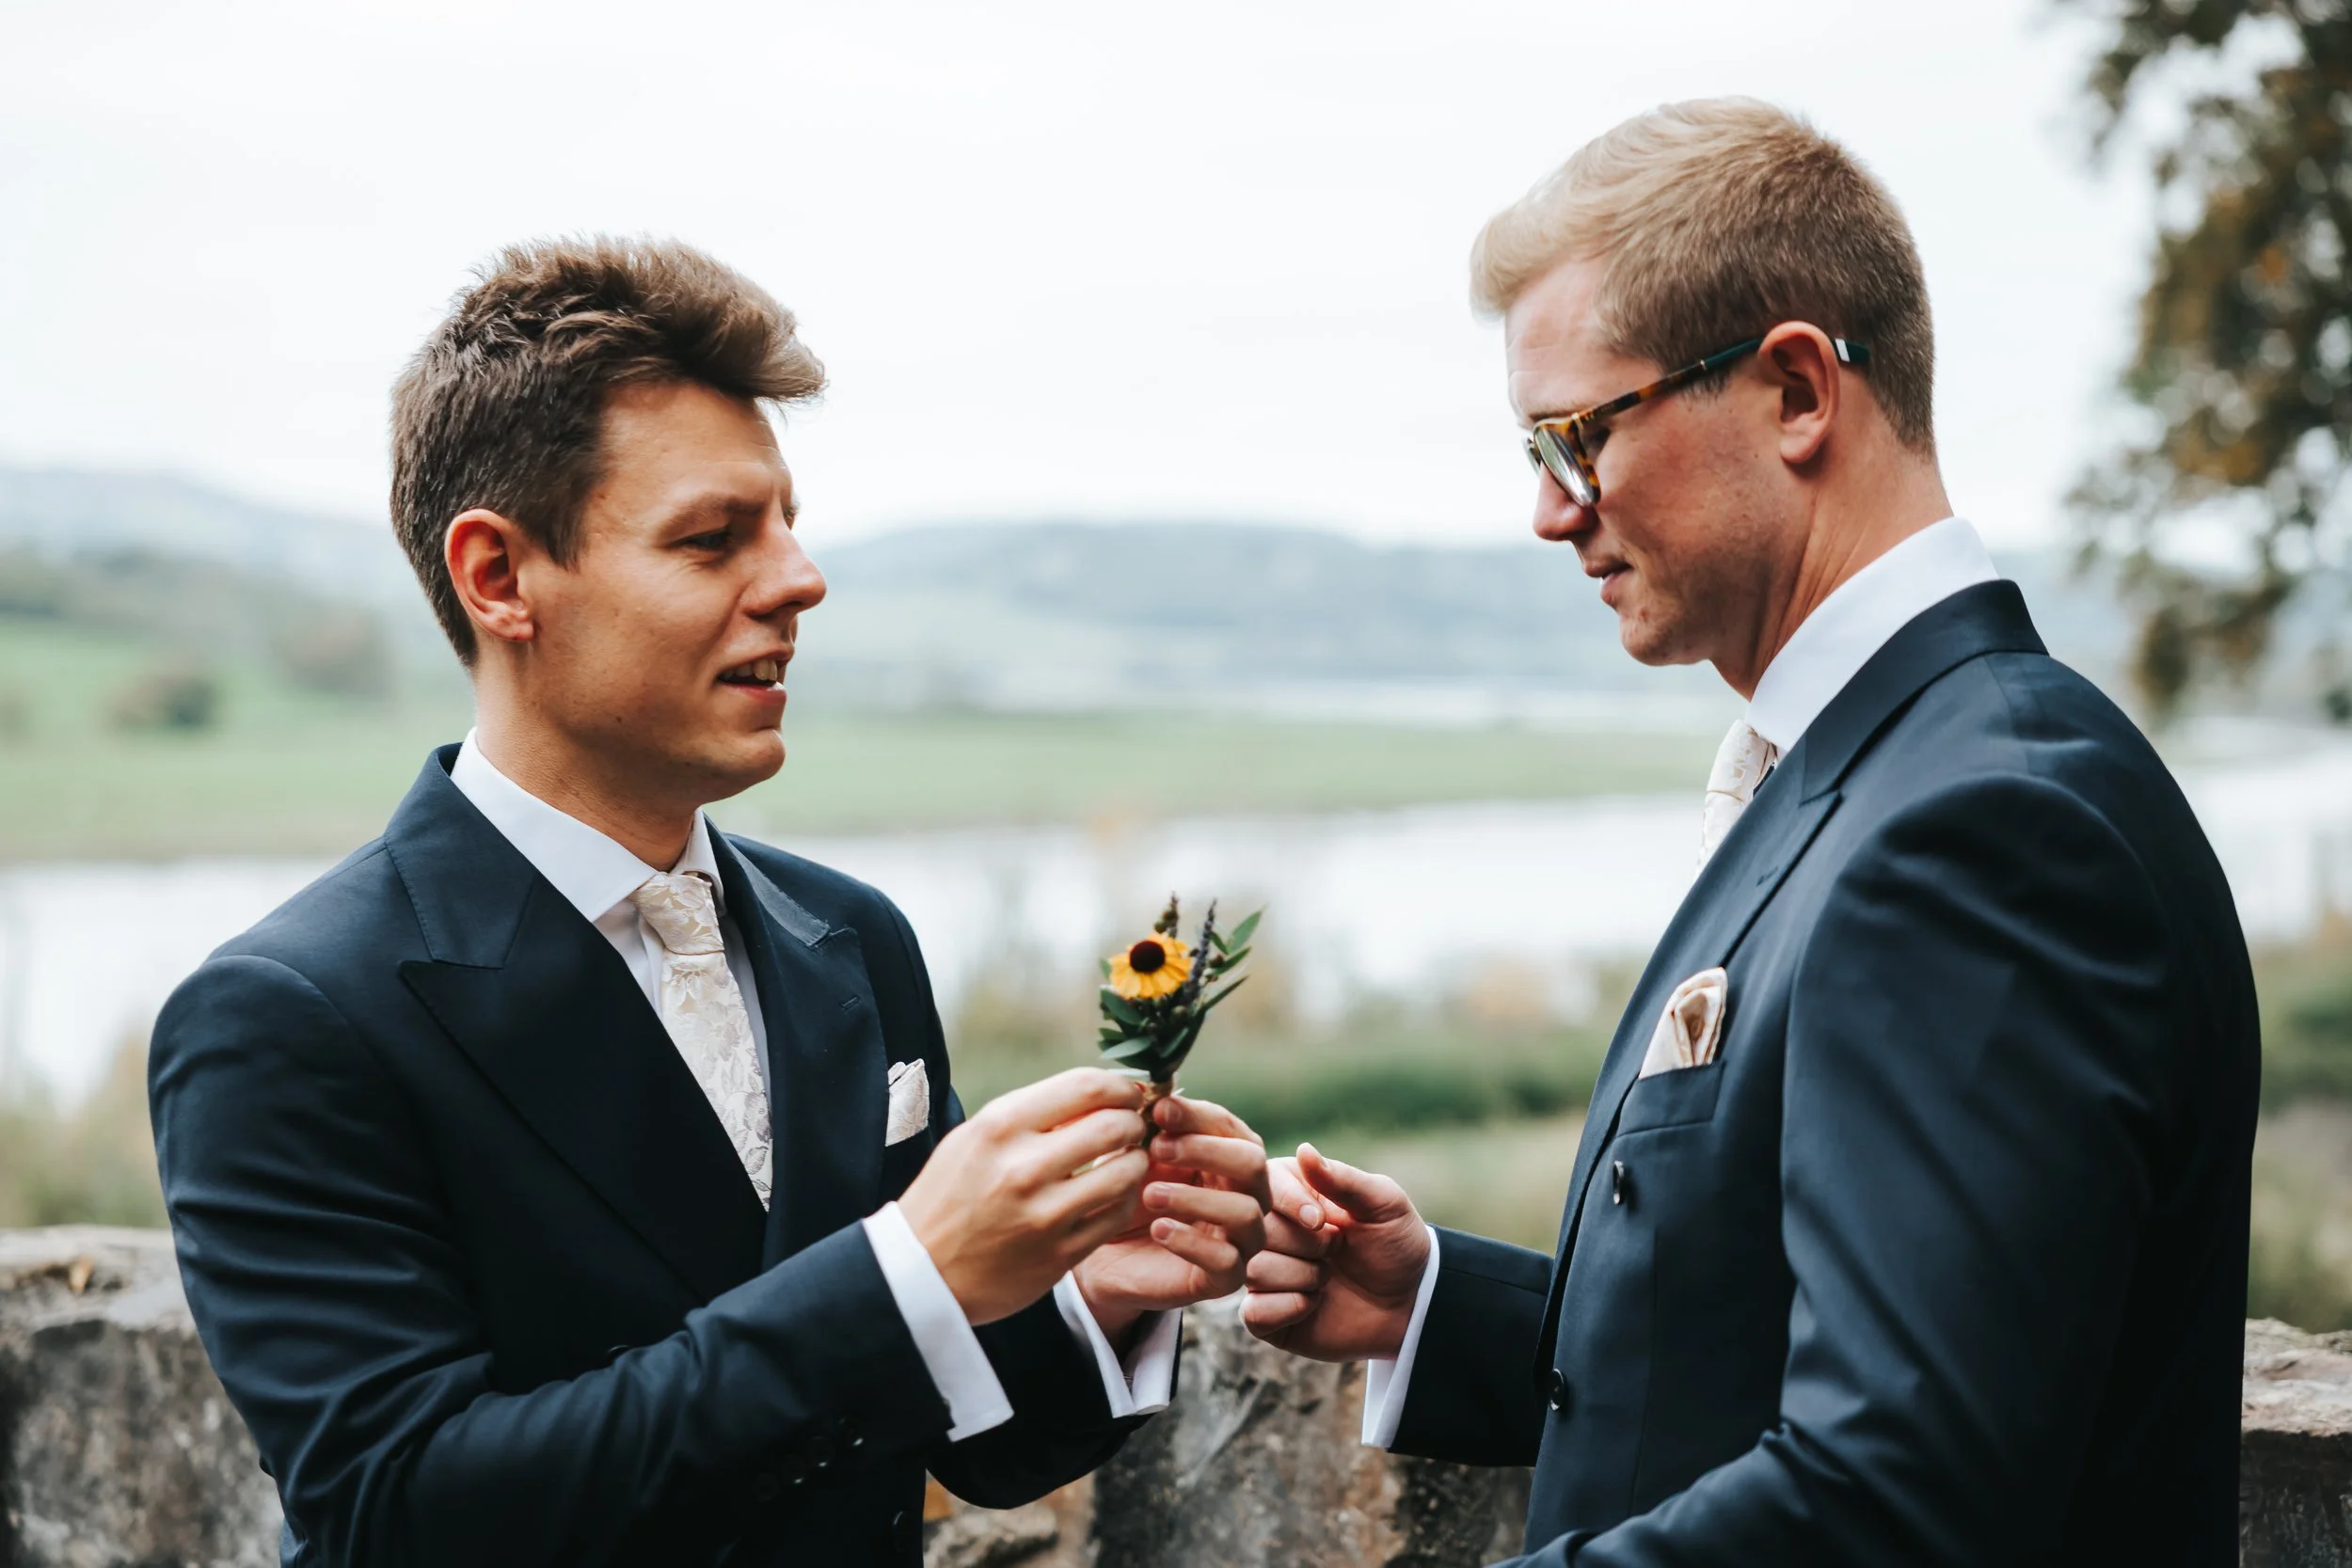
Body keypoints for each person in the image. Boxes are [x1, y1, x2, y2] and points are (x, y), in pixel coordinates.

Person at [148, 237, 1269, 1568]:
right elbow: (407, 1506)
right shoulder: (288, 1016)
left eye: (787, 522)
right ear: (500, 576)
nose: (798, 579)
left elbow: (953, 1434)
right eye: (712, 538)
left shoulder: (852, 940)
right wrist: (909, 1266)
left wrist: (1089, 1300)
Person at [1242, 98, 2258, 1566]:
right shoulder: (1893, 765)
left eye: (1577, 436)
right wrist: (1438, 1308)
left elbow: (1898, 1491)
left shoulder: (1985, 831)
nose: (1548, 510)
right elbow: (1839, 1330)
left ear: (1795, 390)